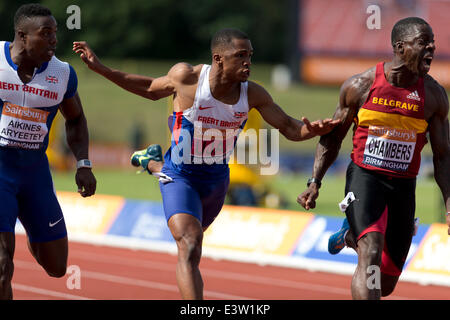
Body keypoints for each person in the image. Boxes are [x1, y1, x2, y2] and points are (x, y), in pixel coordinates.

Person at [73, 28, 340, 299]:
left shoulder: (253, 94)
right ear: (218, 58)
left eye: (250, 55)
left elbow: (289, 127)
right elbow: (149, 89)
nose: (248, 62)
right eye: (240, 56)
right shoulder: (187, 78)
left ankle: (151, 161)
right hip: (181, 176)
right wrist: (101, 69)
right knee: (189, 246)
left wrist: (313, 130)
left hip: (215, 181)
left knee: (195, 250)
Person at [297, 17, 450, 300]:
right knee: (370, 253)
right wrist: (314, 181)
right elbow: (333, 138)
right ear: (400, 47)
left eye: (433, 43)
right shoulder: (360, 86)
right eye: (423, 43)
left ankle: (348, 235)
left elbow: (443, 158)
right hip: (365, 177)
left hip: (403, 187)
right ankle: (360, 236)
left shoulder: (434, 96)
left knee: (386, 282)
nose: (431, 48)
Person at [0, 4, 96, 299]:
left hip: (34, 173)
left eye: (56, 33)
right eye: (46, 34)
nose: (54, 40)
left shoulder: (62, 73)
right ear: (22, 36)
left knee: (57, 266)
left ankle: (30, 226)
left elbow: (76, 118)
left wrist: (83, 163)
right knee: (3, 264)